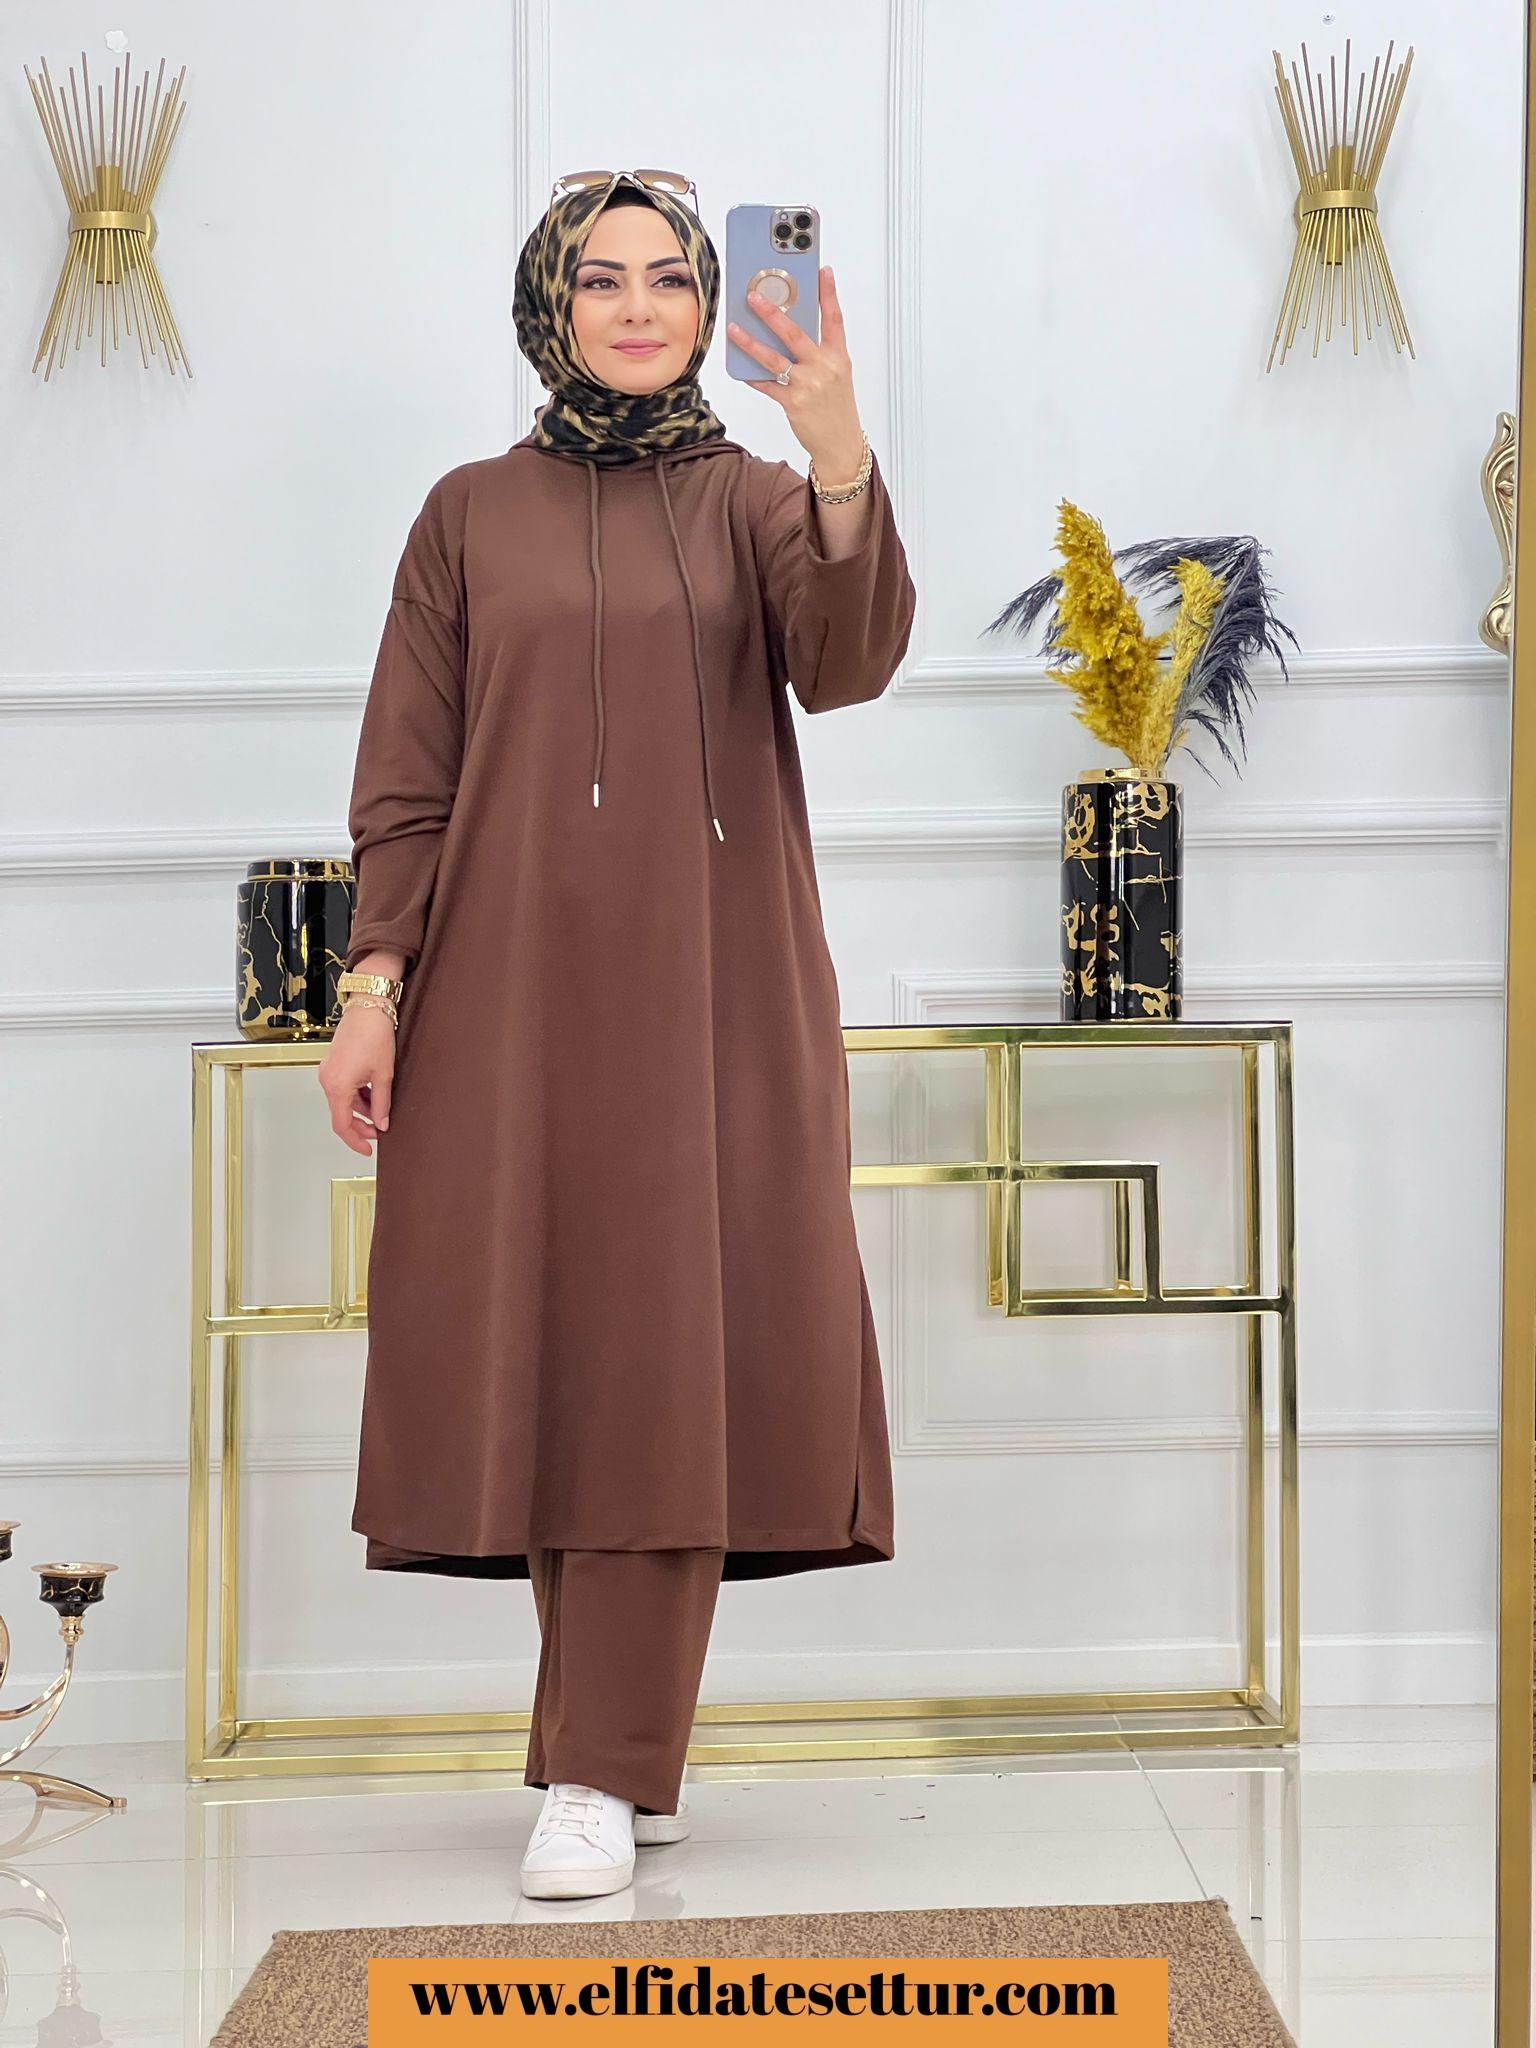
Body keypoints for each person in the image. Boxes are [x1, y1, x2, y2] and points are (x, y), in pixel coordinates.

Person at [317, 168, 917, 1900]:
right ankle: (614, 1751)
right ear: (551, 304)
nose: (640, 305)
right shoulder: (465, 516)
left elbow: (848, 659)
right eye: (601, 278)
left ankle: (598, 1768)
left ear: (713, 305)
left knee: (666, 1343)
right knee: (556, 1345)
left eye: (670, 278)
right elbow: (408, 774)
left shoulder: (755, 500)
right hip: (504, 994)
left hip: (713, 991)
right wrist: (373, 985)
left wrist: (836, 446)